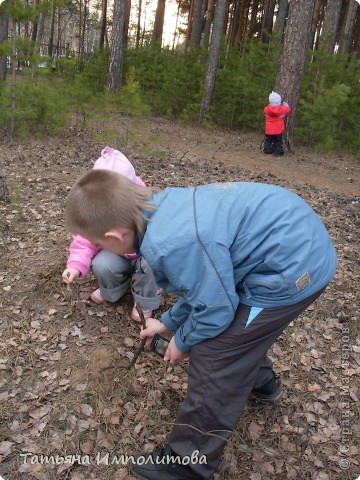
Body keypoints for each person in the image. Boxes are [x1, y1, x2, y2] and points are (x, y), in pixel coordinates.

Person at [65, 172, 337, 480]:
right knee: (236, 337)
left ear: (114, 238)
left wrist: (182, 342)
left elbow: (216, 308)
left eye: (99, 244)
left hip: (294, 268)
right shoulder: (160, 209)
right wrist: (166, 323)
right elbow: (208, 285)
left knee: (215, 355)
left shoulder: (171, 243)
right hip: (289, 242)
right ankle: (263, 385)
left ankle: (186, 465)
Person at [62, 147, 162, 322]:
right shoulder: (94, 209)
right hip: (117, 252)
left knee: (153, 264)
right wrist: (75, 265)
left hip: (145, 254)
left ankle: (145, 301)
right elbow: (84, 239)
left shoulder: (148, 203)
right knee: (102, 263)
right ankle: (113, 290)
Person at [263, 91, 291, 156]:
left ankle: (267, 150)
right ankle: (278, 152)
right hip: (278, 130)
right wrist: (285, 105)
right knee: (278, 141)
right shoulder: (282, 109)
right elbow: (288, 110)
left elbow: (266, 112)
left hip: (269, 129)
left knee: (268, 140)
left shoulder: (267, 109)